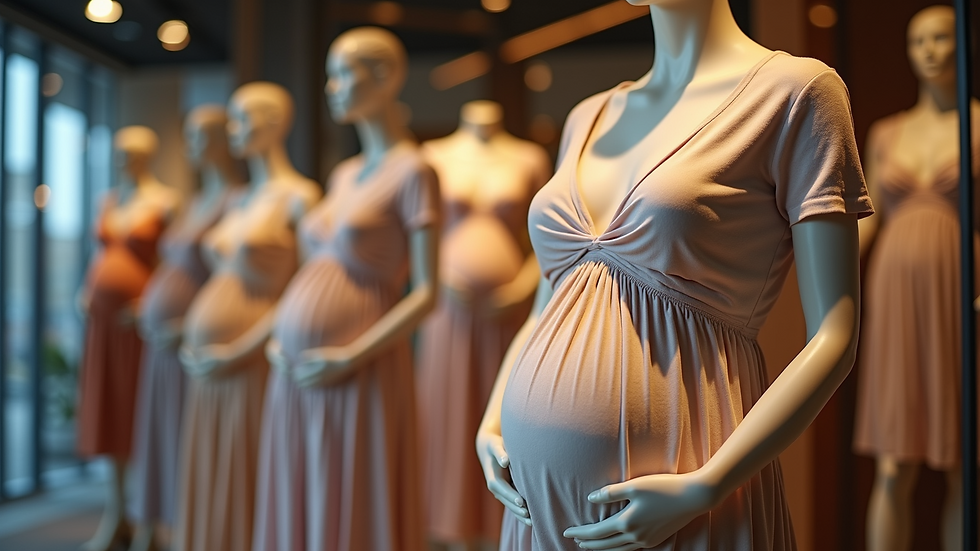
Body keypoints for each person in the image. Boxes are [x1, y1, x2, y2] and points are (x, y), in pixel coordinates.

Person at [476, 0, 874, 549]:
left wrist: (708, 486)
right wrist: (493, 421)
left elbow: (836, 334)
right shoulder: (589, 116)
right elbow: (550, 303)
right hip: (533, 501)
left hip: (683, 479)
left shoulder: (795, 93)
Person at [253, 27, 439, 551]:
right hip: (296, 370)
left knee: (353, 497)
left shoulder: (415, 171)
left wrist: (350, 354)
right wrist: (278, 335)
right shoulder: (343, 175)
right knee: (302, 494)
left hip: (359, 368)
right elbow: (312, 274)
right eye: (328, 75)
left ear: (384, 77)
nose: (330, 87)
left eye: (341, 73)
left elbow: (427, 292)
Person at [853, 6, 980, 551]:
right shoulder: (886, 133)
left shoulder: (979, 122)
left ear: (962, 43)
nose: (929, 50)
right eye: (918, 40)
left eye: (940, 38)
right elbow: (868, 217)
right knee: (891, 464)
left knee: (962, 465)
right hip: (894, 294)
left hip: (960, 291)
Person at [174, 83, 321, 551]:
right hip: (208, 366)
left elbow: (303, 288)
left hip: (251, 358)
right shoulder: (239, 200)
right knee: (210, 470)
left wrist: (239, 348)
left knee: (248, 471)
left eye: (242, 119)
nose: (233, 130)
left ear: (275, 123)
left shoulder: (300, 196)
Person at [77, 125, 179, 551]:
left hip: (139, 327)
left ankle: (147, 518)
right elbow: (102, 254)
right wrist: (86, 289)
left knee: (141, 416)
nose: (124, 159)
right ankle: (115, 511)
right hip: (102, 325)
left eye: (133, 152)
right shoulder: (109, 200)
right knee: (109, 414)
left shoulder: (165, 202)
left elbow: (175, 262)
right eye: (120, 152)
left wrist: (149, 303)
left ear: (149, 155)